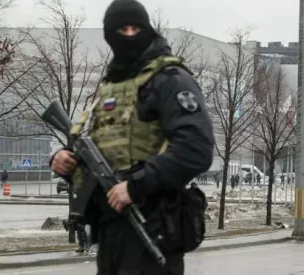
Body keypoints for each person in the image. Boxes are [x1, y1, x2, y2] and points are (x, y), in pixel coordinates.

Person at [49, 0, 214, 274]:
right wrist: (67, 161)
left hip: (152, 227)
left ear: (147, 30)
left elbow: (196, 148)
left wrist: (136, 185)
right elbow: (106, 151)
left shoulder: (170, 79)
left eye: (134, 28)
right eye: (120, 30)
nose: (127, 36)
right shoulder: (111, 87)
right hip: (110, 233)